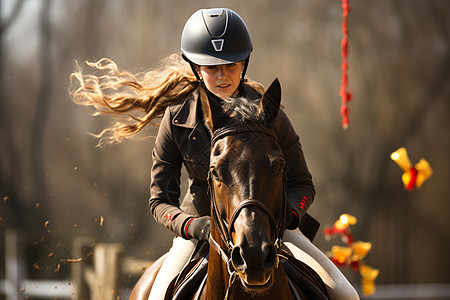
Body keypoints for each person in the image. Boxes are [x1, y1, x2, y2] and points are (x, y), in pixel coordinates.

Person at [70, 7, 359, 300]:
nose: (222, 77)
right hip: (200, 231)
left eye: (231, 66)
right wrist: (192, 225)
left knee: (346, 294)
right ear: (197, 68)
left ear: (244, 63)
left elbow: (302, 183)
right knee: (156, 296)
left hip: (270, 228)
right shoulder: (177, 118)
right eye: (212, 68)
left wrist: (285, 217)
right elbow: (159, 200)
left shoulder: (269, 114)